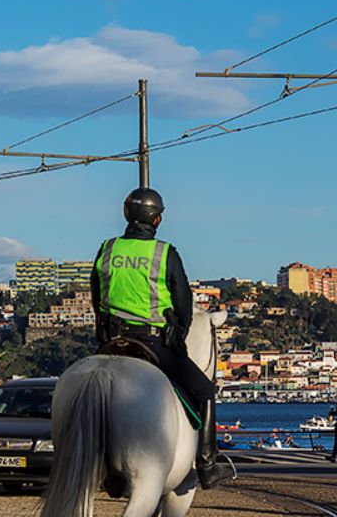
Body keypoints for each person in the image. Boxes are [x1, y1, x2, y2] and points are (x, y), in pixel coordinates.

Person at [90, 187, 236, 490]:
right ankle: (207, 462)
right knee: (205, 390)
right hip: (152, 342)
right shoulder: (164, 253)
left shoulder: (107, 248)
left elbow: (95, 294)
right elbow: (183, 301)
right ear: (156, 220)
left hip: (111, 341)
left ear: (126, 215)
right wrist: (178, 336)